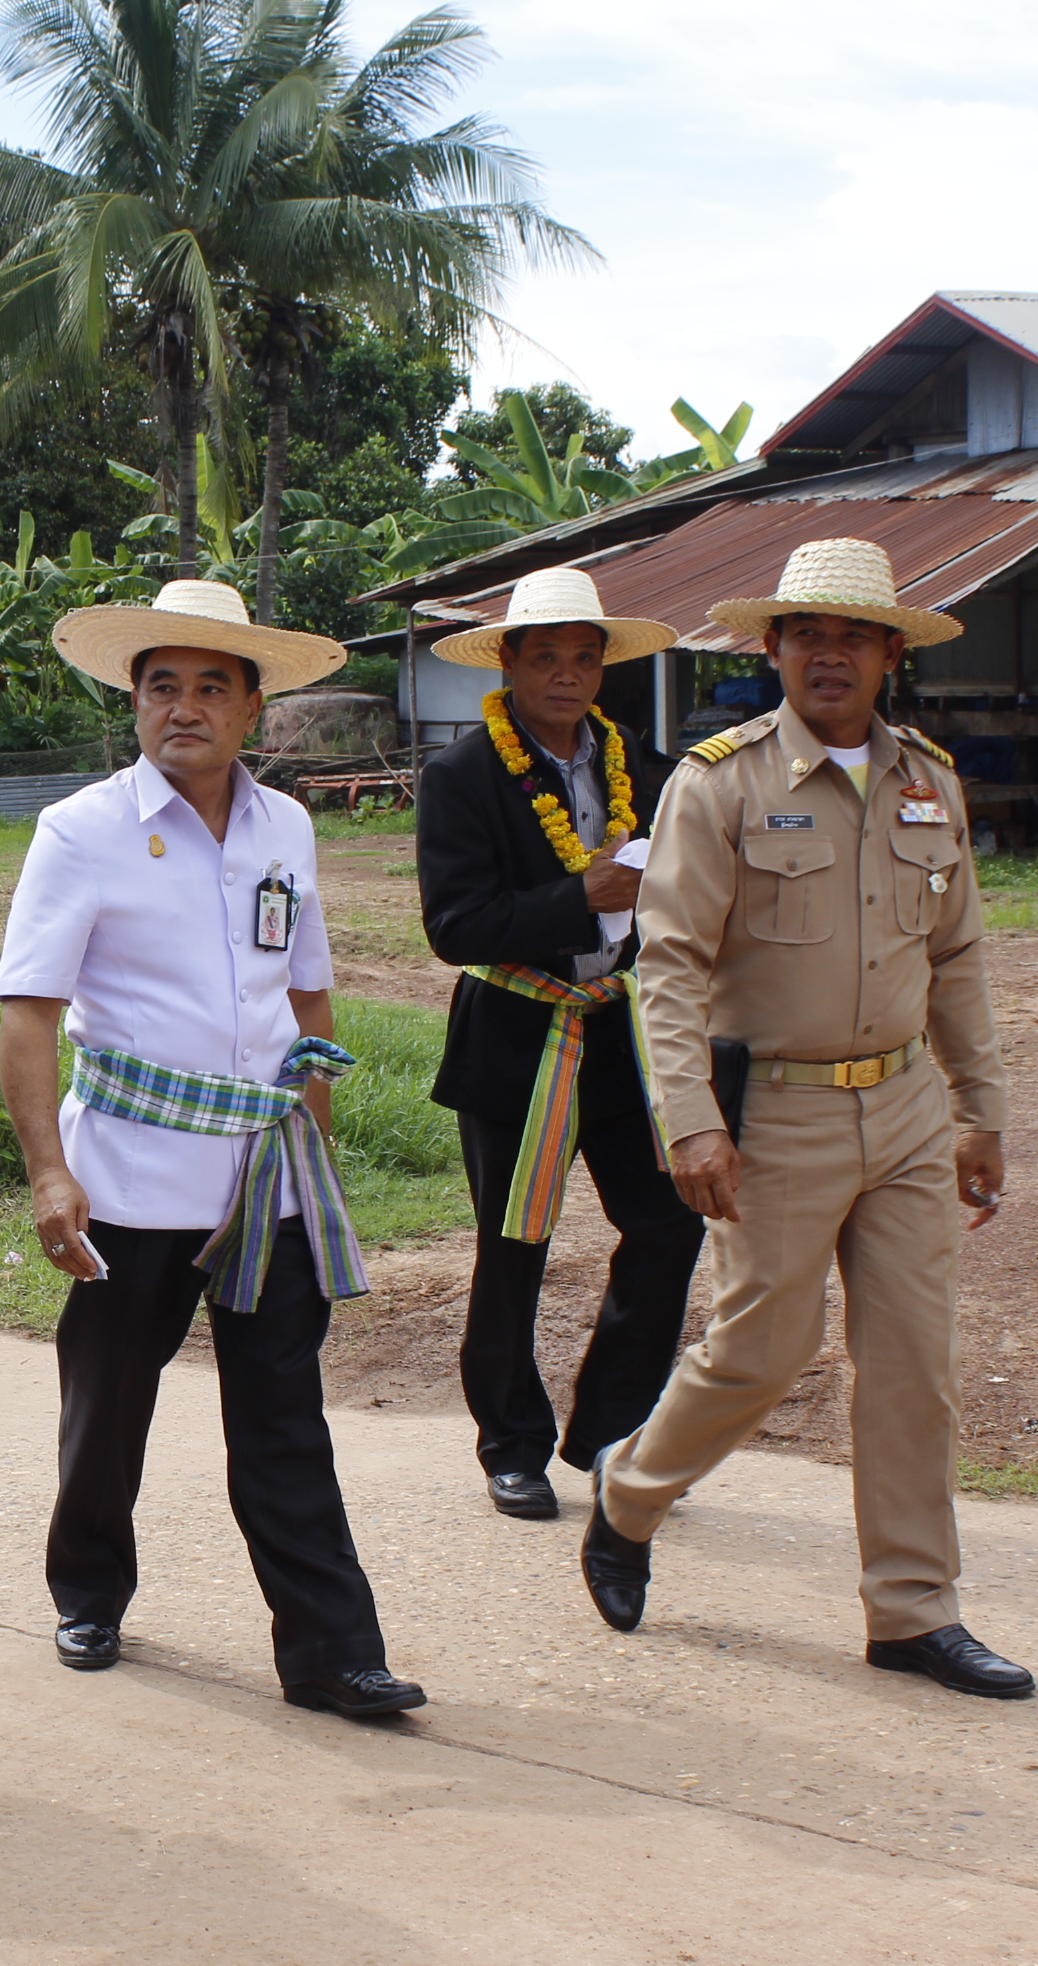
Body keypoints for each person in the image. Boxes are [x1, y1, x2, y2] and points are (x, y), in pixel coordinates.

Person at [585, 540, 1030, 1698]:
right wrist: (689, 1121)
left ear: (892, 653)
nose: (830, 652)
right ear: (772, 648)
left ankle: (913, 1612)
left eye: (854, 635)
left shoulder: (930, 781)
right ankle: (629, 1494)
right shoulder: (722, 782)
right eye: (806, 633)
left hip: (907, 1109)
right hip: (774, 1115)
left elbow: (960, 956)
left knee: (912, 1367)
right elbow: (668, 965)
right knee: (761, 1352)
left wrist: (979, 1109)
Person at [0, 578, 424, 1720]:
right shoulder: (82, 832)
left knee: (284, 1421)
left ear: (254, 709)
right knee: (108, 1405)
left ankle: (333, 1650)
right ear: (135, 703)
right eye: (161, 686)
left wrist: (317, 1158)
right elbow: (27, 1013)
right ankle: (87, 1589)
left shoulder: (288, 827)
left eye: (210, 688)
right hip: (130, 1180)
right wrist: (49, 1171)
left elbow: (311, 1001)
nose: (182, 708)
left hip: (267, 1183)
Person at [417, 567, 705, 1520]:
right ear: (508, 662)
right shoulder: (461, 776)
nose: (568, 675)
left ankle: (613, 1431)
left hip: (620, 1030)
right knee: (515, 1248)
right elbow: (455, 927)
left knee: (668, 1224)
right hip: (514, 1034)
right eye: (546, 656)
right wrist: (576, 898)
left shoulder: (647, 767)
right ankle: (511, 1444)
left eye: (586, 657)